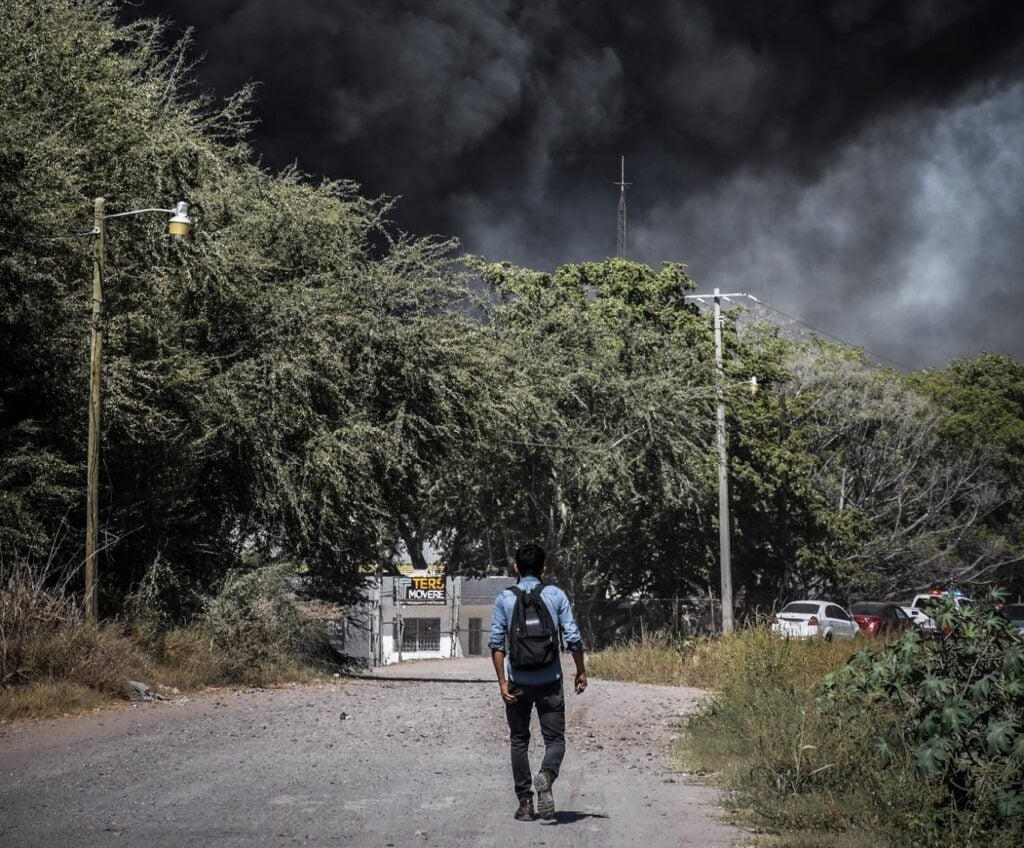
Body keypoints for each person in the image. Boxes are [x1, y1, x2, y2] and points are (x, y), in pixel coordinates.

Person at [489, 542, 587, 822]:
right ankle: (546, 774)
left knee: (519, 740)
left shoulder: (505, 599)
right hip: (550, 681)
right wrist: (580, 671)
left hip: (518, 682)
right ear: (543, 568)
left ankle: (525, 804)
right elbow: (573, 637)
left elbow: (497, 644)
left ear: (516, 569)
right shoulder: (556, 595)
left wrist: (502, 682)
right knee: (555, 740)